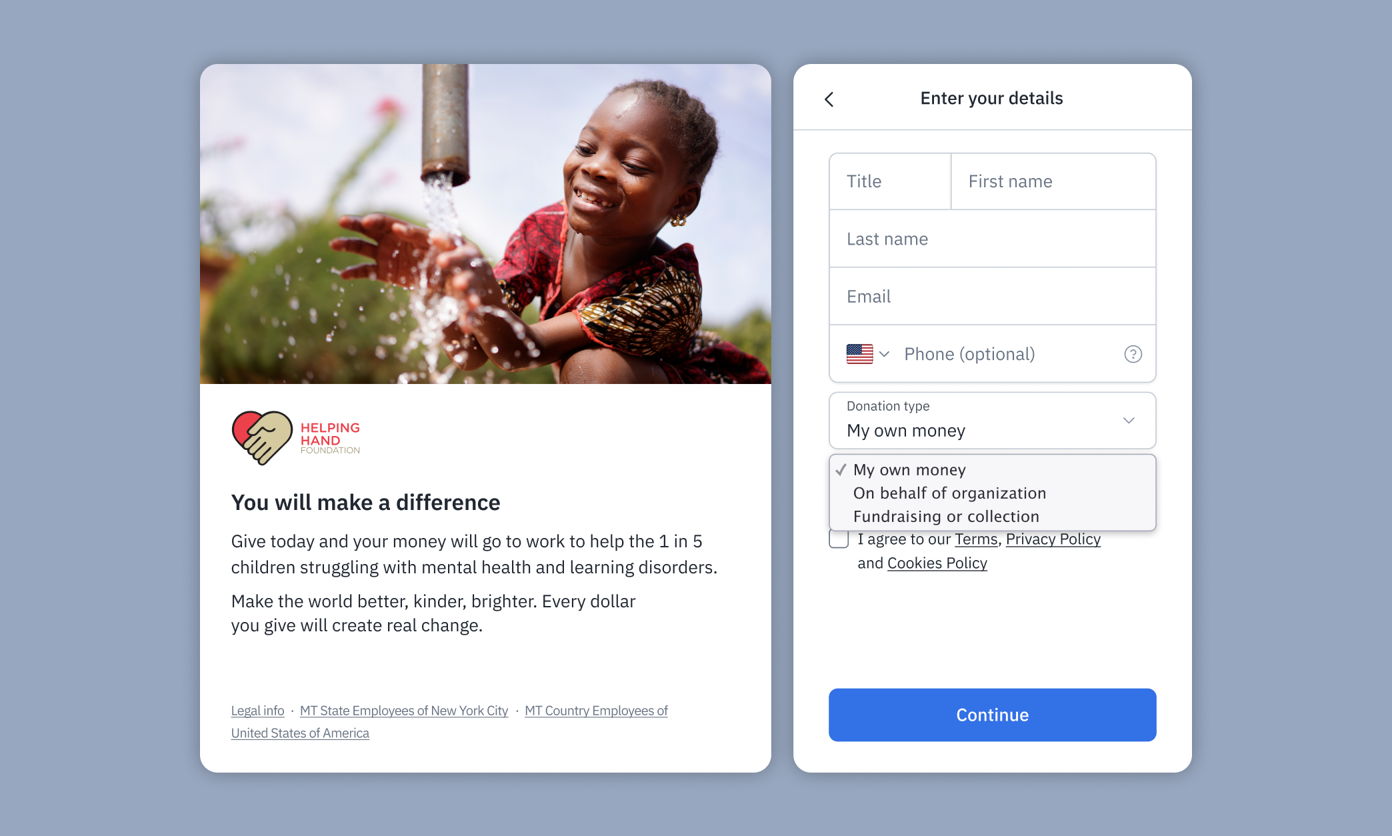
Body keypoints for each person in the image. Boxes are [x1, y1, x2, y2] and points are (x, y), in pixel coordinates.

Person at [331, 80, 770, 384]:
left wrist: (482, 290)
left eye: (633, 165)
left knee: (592, 370)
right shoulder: (543, 231)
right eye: (586, 147)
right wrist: (436, 288)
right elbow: (472, 352)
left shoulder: (668, 289)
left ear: (681, 202)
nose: (596, 166)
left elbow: (517, 352)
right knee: (583, 371)